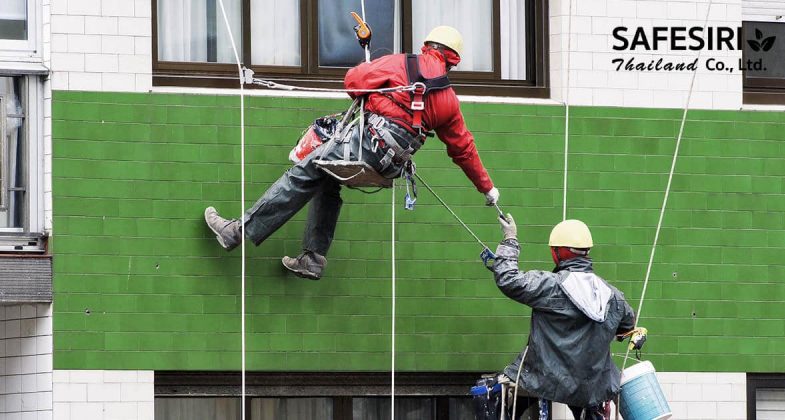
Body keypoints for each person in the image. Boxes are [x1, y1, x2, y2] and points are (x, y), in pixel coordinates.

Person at [204, 26, 499, 280]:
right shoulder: (448, 100)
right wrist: (487, 188)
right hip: (389, 164)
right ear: (453, 61)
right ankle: (313, 259)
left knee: (303, 173)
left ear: (427, 46)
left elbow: (352, 82)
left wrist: (371, 80)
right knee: (327, 179)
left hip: (367, 145)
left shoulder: (400, 65)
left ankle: (237, 231)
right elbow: (464, 149)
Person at [490, 216, 640, 420]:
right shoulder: (612, 296)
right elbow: (627, 327)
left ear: (556, 253)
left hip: (542, 378)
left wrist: (510, 239)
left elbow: (508, 279)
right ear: (587, 252)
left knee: (492, 398)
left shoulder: (549, 286)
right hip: (591, 388)